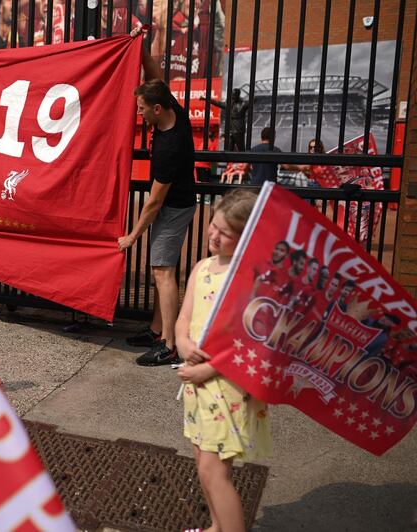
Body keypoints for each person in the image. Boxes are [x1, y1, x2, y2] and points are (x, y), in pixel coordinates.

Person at [175, 188, 270, 532]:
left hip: (226, 382)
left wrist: (206, 369)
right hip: (198, 380)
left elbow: (251, 341)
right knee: (203, 461)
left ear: (245, 236)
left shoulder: (250, 278)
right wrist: (183, 342)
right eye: (213, 226)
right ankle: (217, 526)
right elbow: (184, 317)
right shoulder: (202, 267)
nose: (214, 235)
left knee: (214, 471)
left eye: (225, 232)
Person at [120, 52, 196, 367]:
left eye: (141, 110)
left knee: (162, 271)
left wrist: (132, 236)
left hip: (174, 208)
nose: (139, 114)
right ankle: (156, 330)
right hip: (172, 204)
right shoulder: (173, 109)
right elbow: (157, 77)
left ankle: (169, 344)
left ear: (156, 109)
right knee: (159, 270)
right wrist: (141, 43)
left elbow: (153, 202)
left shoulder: (169, 146)